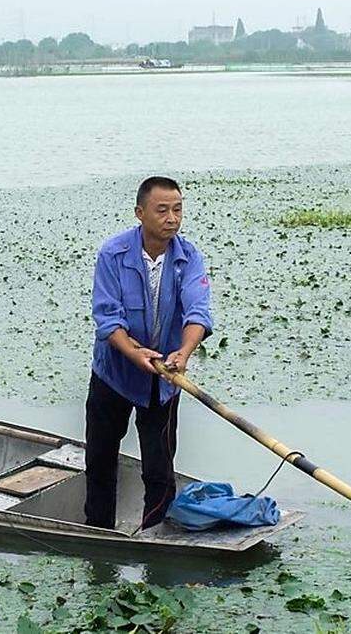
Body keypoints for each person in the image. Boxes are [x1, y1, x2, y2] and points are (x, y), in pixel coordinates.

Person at [85, 176, 213, 530]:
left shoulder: (188, 257)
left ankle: (155, 534)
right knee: (100, 460)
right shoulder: (113, 253)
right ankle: (98, 532)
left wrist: (184, 353)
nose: (172, 218)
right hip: (114, 373)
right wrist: (135, 354)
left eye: (177, 209)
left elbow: (197, 312)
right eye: (162, 210)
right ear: (140, 213)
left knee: (159, 469)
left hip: (164, 379)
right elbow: (108, 319)